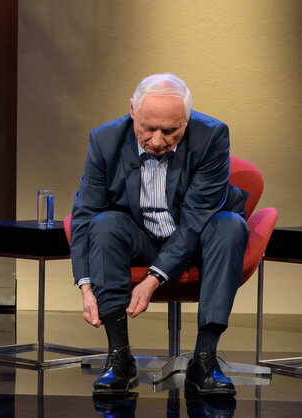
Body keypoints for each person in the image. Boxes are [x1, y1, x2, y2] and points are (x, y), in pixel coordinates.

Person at [70, 73, 249, 396]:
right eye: (147, 129)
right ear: (132, 112)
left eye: (170, 131)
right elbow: (86, 214)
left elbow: (196, 220)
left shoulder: (212, 136)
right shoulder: (105, 140)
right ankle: (119, 358)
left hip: (197, 241)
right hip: (141, 239)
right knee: (105, 223)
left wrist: (153, 279)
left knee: (230, 225)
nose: (157, 141)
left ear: (187, 119)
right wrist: (85, 285)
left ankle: (205, 359)